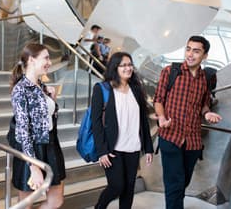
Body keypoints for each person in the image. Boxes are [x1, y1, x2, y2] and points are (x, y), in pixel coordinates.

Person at [153, 36, 222, 209]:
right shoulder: (170, 72)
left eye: (196, 51)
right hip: (170, 137)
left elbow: (204, 104)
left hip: (192, 141)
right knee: (174, 183)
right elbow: (158, 100)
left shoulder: (206, 79)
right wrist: (161, 117)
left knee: (183, 182)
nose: (190, 54)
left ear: (204, 55)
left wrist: (207, 114)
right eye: (188, 49)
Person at [92, 52, 154, 209]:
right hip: (113, 149)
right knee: (117, 186)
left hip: (133, 147)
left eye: (130, 64)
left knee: (129, 189)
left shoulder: (136, 89)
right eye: (123, 65)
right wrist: (102, 151)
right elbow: (96, 122)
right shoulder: (102, 89)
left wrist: (148, 148)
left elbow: (143, 120)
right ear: (115, 67)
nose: (128, 68)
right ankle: (100, 206)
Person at [10, 43, 66, 209]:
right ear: (32, 60)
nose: (49, 62)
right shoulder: (21, 90)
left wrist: (52, 100)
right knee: (25, 204)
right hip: (31, 150)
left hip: (51, 145)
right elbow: (23, 130)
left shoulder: (41, 87)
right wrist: (33, 165)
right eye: (46, 58)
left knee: (56, 200)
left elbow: (46, 119)